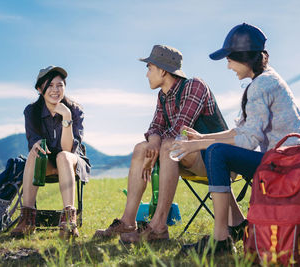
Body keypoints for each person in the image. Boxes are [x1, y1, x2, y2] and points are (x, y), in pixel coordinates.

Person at [176, 23, 300, 255]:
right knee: (212, 149)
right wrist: (202, 137)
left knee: (215, 151)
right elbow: (241, 130)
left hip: (283, 165)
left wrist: (196, 144)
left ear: (243, 57)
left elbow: (248, 140)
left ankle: (221, 240)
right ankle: (236, 225)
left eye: (229, 59)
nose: (227, 66)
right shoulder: (265, 80)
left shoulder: (260, 86)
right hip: (282, 159)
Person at [94, 45, 227, 242]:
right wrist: (153, 142)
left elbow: (180, 130)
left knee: (168, 145)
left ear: (163, 70)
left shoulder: (195, 86)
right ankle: (128, 221)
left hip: (215, 160)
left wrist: (157, 146)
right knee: (142, 147)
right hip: (183, 157)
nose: (146, 75)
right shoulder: (163, 96)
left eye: (149, 68)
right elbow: (155, 127)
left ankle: (158, 226)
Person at [10, 66, 90, 238]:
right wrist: (37, 144)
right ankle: (27, 219)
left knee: (63, 156)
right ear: (40, 89)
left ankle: (69, 222)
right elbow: (33, 142)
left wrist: (66, 118)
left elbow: (68, 150)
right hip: (43, 163)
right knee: (34, 152)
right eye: (50, 85)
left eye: (60, 85)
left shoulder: (75, 110)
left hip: (71, 162)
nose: (55, 90)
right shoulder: (32, 111)